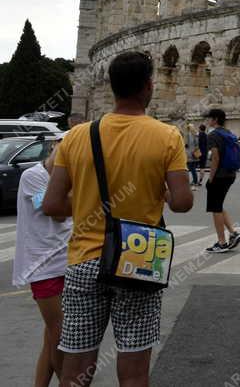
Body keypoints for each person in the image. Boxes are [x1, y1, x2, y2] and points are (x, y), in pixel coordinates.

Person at [42, 51, 194, 385]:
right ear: (149, 86)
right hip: (139, 259)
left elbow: (52, 204)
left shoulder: (78, 136)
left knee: (76, 366)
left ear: (111, 87)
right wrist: (158, 193)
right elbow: (183, 202)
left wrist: (87, 202)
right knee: (135, 368)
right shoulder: (167, 136)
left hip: (84, 260)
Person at [14, 127, 76, 387]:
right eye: (61, 149)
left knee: (52, 337)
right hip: (42, 265)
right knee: (59, 334)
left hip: (68, 262)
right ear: (53, 147)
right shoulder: (32, 176)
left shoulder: (72, 179)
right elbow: (57, 212)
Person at [204, 108, 240, 253]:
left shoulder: (213, 135)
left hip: (219, 176)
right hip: (230, 174)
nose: (208, 121)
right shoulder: (229, 134)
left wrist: (211, 178)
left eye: (209, 118)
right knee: (218, 205)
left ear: (215, 119)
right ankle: (233, 233)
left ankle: (221, 242)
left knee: (215, 208)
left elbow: (215, 158)